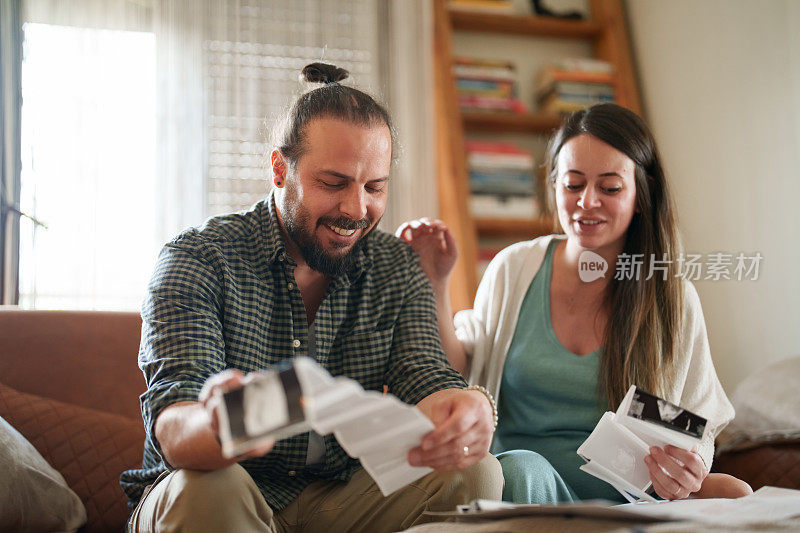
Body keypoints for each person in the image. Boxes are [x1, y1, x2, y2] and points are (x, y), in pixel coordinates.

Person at [120, 63, 503, 532]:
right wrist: (219, 427)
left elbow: (425, 373)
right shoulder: (198, 259)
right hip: (220, 493)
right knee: (208, 485)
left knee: (477, 471)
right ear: (280, 170)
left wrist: (468, 409)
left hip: (337, 499)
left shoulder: (395, 265)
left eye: (374, 187)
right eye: (334, 183)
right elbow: (172, 423)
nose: (357, 210)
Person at [398, 103, 752, 504]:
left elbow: (696, 424)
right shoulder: (514, 268)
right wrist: (436, 283)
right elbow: (456, 371)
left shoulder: (670, 296)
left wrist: (688, 468)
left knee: (735, 492)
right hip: (524, 484)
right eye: (573, 184)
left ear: (640, 194)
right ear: (554, 186)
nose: (587, 202)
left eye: (609, 187)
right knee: (520, 467)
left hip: (629, 495)